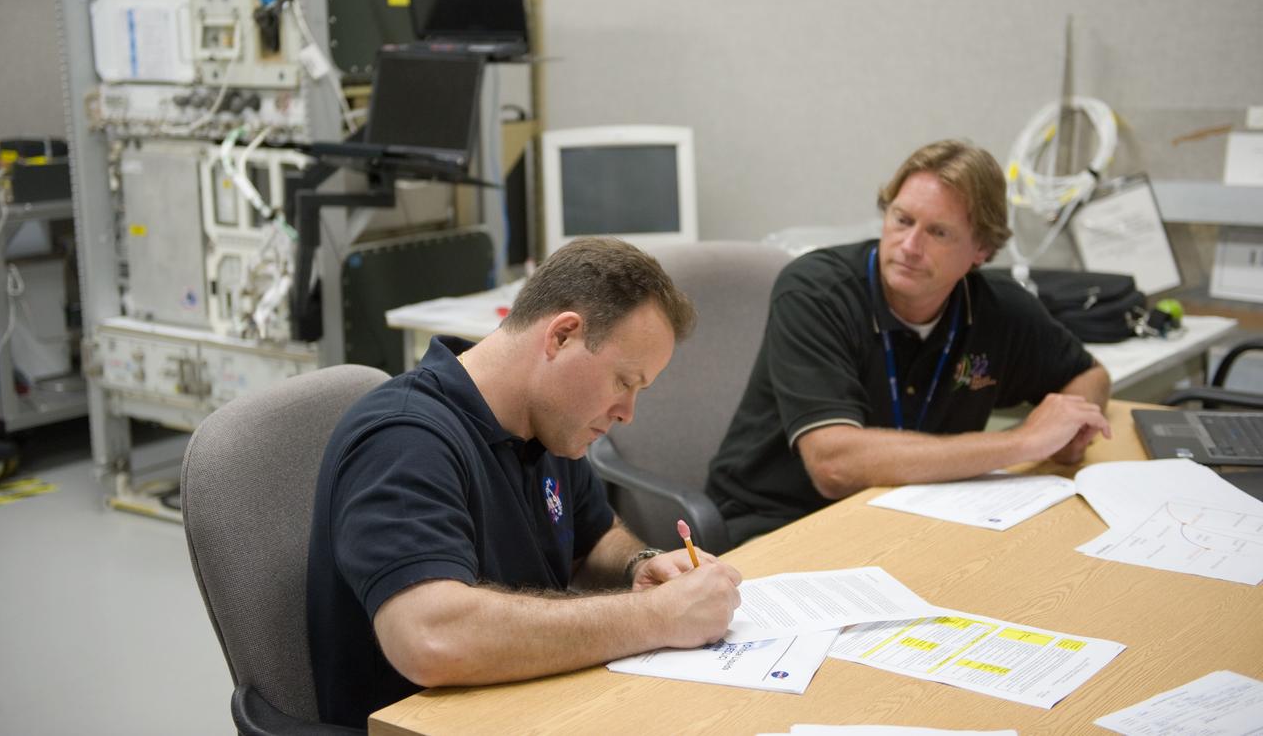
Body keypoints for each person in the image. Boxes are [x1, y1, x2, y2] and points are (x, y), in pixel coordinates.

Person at [308, 237, 743, 728]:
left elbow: (593, 536)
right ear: (562, 336)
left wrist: (639, 567)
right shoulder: (406, 440)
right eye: (623, 382)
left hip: (532, 708)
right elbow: (429, 637)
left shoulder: (549, 425)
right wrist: (658, 617)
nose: (626, 414)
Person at [706, 139, 1112, 546]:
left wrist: (1071, 430)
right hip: (778, 524)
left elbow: (1088, 374)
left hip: (910, 518)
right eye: (902, 220)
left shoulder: (999, 308)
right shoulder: (816, 292)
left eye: (938, 232)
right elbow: (834, 465)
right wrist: (1024, 442)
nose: (910, 247)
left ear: (981, 250)